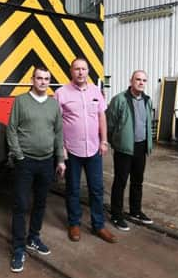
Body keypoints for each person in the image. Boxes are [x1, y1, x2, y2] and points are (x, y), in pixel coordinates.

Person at [7, 67, 66, 273]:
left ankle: (34, 237)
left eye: (46, 79)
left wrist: (60, 159)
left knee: (41, 203)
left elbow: (58, 133)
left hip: (47, 162)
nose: (42, 82)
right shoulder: (21, 101)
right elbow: (11, 129)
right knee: (21, 205)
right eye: (39, 78)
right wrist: (19, 155)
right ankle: (18, 248)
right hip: (26, 162)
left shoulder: (53, 104)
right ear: (32, 80)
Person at [54, 58, 116, 243]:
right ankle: (74, 224)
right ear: (71, 71)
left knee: (96, 189)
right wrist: (61, 147)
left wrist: (104, 141)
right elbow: (56, 123)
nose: (80, 72)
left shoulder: (96, 91)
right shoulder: (61, 93)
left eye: (84, 69)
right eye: (77, 69)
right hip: (72, 150)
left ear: (88, 71)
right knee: (72, 189)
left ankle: (99, 225)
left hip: (94, 149)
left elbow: (101, 117)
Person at [107, 70, 154, 231]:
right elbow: (110, 124)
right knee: (120, 182)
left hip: (141, 147)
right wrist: (115, 142)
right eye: (138, 79)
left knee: (137, 181)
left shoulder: (147, 101)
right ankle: (116, 215)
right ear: (131, 80)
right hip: (124, 148)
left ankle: (135, 211)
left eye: (144, 80)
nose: (141, 82)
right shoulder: (119, 100)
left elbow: (148, 123)